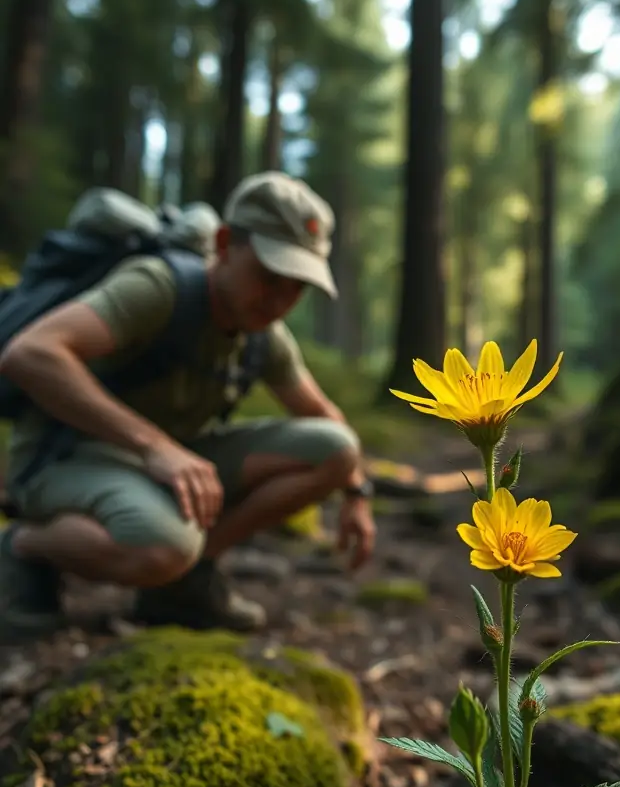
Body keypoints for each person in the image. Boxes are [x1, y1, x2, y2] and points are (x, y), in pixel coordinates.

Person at [0, 172, 376, 641]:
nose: (280, 299)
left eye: (296, 286)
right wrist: (154, 445)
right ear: (224, 244)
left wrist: (357, 494)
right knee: (164, 545)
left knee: (337, 449)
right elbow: (29, 353)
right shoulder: (159, 288)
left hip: (162, 466)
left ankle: (181, 582)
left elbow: (325, 418)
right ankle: (25, 547)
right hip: (65, 456)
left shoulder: (263, 334)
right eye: (270, 275)